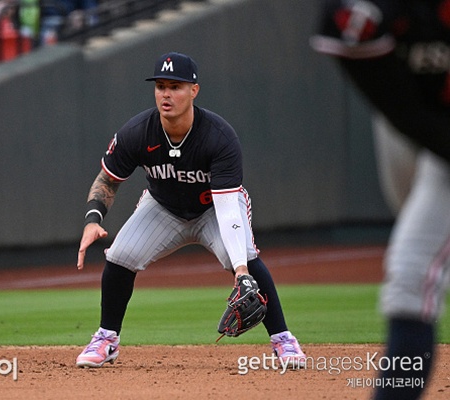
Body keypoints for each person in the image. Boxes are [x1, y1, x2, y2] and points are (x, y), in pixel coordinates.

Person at [75, 51, 306, 368]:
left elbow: (228, 208)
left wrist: (240, 270)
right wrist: (93, 219)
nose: (166, 94)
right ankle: (106, 339)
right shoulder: (138, 131)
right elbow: (107, 180)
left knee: (244, 257)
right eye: (160, 86)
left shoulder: (218, 136)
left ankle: (283, 339)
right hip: (163, 207)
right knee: (119, 256)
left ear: (194, 90)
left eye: (175, 86)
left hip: (214, 209)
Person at [310, 1, 450, 398]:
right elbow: (405, 111)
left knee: (412, 273)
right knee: (410, 278)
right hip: (441, 148)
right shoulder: (367, 16)